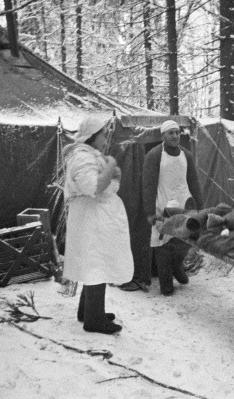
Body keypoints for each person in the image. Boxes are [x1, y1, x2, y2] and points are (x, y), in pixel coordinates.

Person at [63, 116, 134, 335]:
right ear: (92, 136)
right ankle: (94, 320)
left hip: (94, 217)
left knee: (93, 263)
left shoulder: (88, 156)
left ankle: (88, 311)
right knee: (96, 263)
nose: (106, 138)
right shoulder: (82, 157)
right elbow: (93, 187)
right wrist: (111, 166)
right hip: (91, 219)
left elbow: (101, 181)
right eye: (103, 134)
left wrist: (112, 173)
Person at [136, 120, 203, 296]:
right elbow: (148, 184)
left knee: (182, 240)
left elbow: (193, 182)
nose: (175, 136)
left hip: (182, 202)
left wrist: (201, 208)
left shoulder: (186, 155)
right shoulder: (154, 155)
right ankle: (166, 281)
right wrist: (150, 211)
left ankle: (177, 267)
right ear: (163, 136)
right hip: (162, 201)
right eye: (171, 133)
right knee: (163, 243)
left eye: (177, 132)